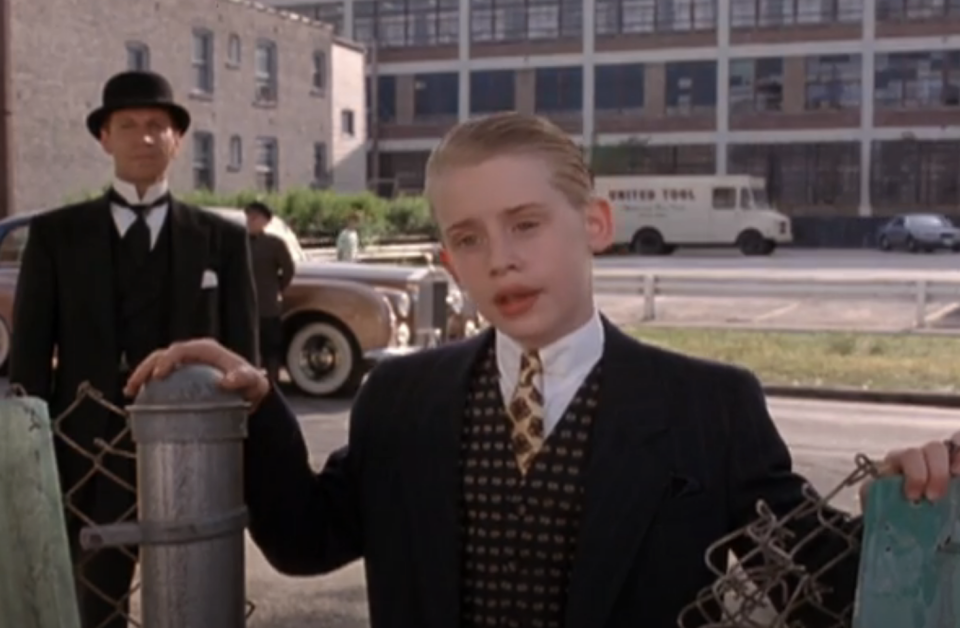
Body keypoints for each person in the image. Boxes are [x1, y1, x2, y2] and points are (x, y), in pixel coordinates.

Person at [124, 112, 960, 628]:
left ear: (594, 222)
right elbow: (308, 542)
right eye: (470, 238)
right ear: (448, 259)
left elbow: (812, 587)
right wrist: (262, 401)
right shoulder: (402, 398)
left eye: (526, 224)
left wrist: (904, 512)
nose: (502, 260)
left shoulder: (708, 407)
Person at [9, 70, 258, 628]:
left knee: (200, 596)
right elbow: (27, 356)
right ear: (105, 138)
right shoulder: (55, 237)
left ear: (177, 139)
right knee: (96, 603)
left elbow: (245, 356)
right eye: (129, 126)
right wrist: (36, 453)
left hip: (197, 451)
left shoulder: (223, 238)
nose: (144, 138)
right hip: (88, 449)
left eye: (157, 126)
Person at [244, 201, 295, 382]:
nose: (250, 221)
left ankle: (272, 384)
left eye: (255, 217)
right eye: (248, 216)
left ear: (266, 221)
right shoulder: (237, 242)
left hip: (267, 306)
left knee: (270, 348)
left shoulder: (274, 244)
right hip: (243, 306)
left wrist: (276, 288)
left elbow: (288, 270)